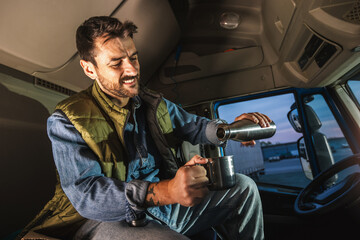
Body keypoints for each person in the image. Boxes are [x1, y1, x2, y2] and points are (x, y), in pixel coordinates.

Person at [19, 16, 271, 240]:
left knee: (244, 189)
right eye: (116, 63)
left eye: (133, 57)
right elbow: (87, 195)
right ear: (89, 69)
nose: (131, 69)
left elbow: (196, 127)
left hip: (165, 205)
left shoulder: (155, 103)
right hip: (108, 218)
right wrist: (164, 191)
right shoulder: (67, 120)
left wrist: (230, 129)